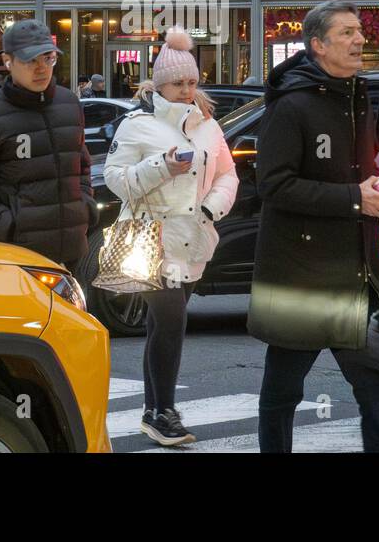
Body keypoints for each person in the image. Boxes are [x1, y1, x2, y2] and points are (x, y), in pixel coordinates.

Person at [247, 0, 379, 453]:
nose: (360, 40)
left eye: (360, 31)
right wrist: (356, 197)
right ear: (318, 45)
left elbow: (353, 176)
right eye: (346, 33)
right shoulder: (291, 104)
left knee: (378, 384)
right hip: (300, 272)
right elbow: (274, 186)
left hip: (352, 271)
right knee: (283, 391)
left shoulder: (355, 95)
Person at [104, 27, 239, 447]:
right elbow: (115, 180)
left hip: (194, 236)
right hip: (148, 236)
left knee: (162, 326)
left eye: (192, 82)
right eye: (178, 83)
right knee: (170, 322)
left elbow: (227, 175)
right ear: (159, 83)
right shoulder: (137, 124)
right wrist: (162, 166)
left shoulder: (208, 126)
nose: (186, 90)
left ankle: (151, 410)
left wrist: (208, 208)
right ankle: (164, 412)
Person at [0, 20, 97, 270]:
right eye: (31, 61)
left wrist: (85, 207)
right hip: (16, 257)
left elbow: (81, 163)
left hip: (73, 250)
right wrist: (9, 226)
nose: (41, 69)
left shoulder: (69, 104)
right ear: (8, 61)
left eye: (48, 59)